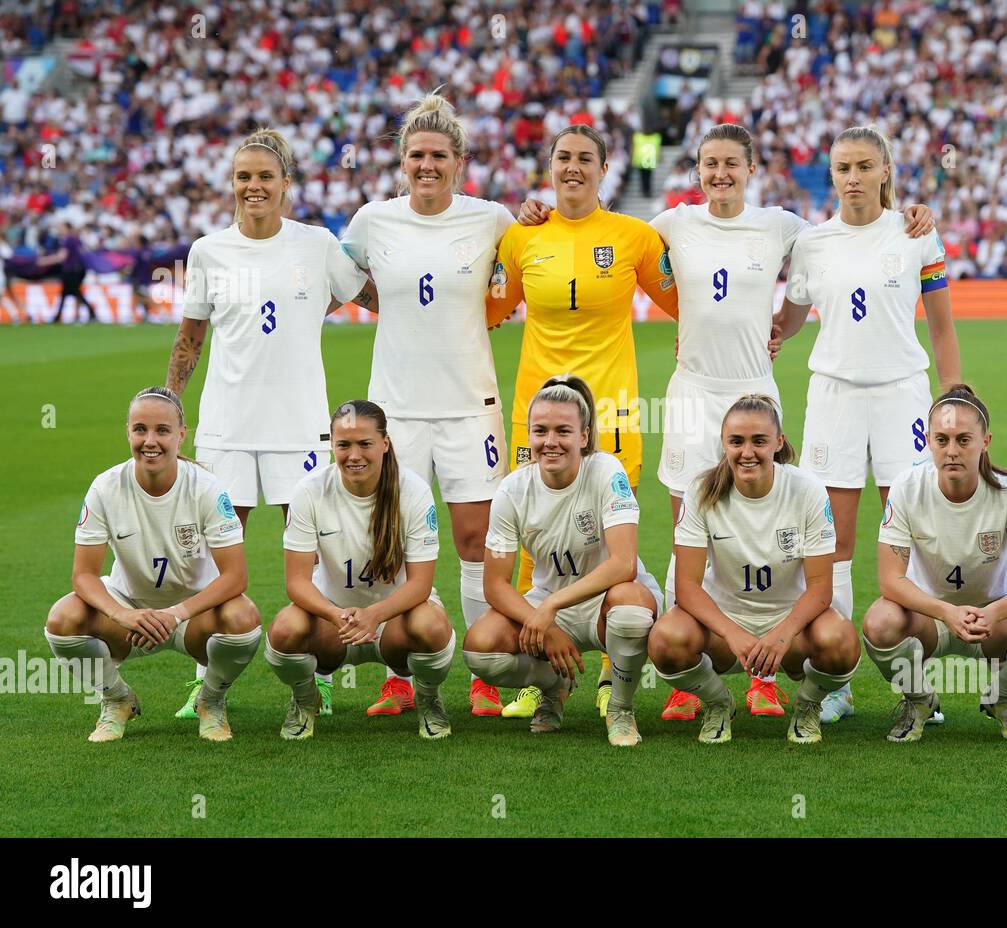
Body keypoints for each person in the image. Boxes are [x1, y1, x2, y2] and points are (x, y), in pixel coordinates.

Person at [648, 122, 934, 724]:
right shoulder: (673, 223)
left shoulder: (784, 228)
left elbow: (850, 239)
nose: (719, 173)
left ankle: (770, 680)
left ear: (752, 169)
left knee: (775, 525)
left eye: (731, 163)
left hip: (756, 394)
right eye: (709, 164)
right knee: (686, 530)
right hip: (692, 396)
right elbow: (617, 243)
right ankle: (686, 681)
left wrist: (911, 214)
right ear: (696, 170)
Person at [166, 127, 378, 720]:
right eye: (243, 177)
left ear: (287, 183)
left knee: (316, 553)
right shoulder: (208, 250)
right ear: (232, 183)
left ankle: (316, 674)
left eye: (265, 176)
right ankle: (209, 683)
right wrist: (173, 404)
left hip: (300, 426)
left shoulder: (315, 244)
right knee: (213, 559)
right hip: (226, 426)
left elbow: (367, 295)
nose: (253, 186)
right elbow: (191, 338)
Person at [487, 125, 677, 720]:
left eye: (585, 159)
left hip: (613, 414)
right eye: (563, 157)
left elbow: (682, 302)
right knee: (530, 541)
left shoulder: (634, 237)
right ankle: (541, 673)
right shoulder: (521, 238)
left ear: (603, 168)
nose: (573, 167)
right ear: (549, 166)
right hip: (535, 414)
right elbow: (490, 308)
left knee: (607, 537)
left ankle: (606, 672)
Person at [777, 124, 961, 723]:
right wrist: (749, 336)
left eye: (863, 166)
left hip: (902, 395)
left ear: (885, 171)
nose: (851, 178)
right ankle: (837, 684)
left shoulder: (916, 236)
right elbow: (790, 319)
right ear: (830, 175)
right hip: (833, 397)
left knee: (909, 536)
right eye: (841, 168)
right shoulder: (812, 243)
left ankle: (915, 683)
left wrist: (955, 400)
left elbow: (941, 328)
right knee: (834, 540)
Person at [341, 91, 514, 720]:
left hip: (471, 405)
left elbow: (524, 264)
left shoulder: (491, 218)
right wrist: (390, 305)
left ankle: (486, 673)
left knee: (476, 541)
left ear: (459, 160)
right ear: (402, 161)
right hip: (396, 411)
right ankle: (401, 674)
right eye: (416, 155)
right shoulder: (373, 220)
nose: (427, 165)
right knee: (393, 540)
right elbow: (342, 280)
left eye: (439, 155)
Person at [44, 387, 261, 742]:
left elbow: (236, 576)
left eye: (162, 430)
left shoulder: (207, 489)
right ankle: (116, 699)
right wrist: (121, 614)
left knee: (243, 617)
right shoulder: (105, 487)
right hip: (130, 615)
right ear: (127, 432)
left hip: (193, 615)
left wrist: (176, 613)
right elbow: (83, 575)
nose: (150, 441)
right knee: (62, 618)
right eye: (140, 429)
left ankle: (211, 701)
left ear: (181, 435)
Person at [648, 395, 860, 745]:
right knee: (666, 638)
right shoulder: (701, 492)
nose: (747, 452)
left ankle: (807, 707)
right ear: (724, 443)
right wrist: (732, 633)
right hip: (723, 632)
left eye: (759, 441)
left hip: (790, 630)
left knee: (840, 641)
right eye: (737, 441)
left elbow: (821, 587)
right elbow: (686, 586)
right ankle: (718, 703)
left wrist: (782, 634)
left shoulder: (807, 490)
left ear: (778, 442)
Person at [463, 376, 661, 746]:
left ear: (584, 436)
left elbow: (624, 564)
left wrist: (550, 606)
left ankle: (621, 708)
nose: (549, 441)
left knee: (631, 611)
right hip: (551, 603)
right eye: (540, 431)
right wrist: (545, 622)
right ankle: (554, 687)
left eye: (562, 431)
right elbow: (495, 584)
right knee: (482, 649)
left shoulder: (605, 471)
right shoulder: (512, 489)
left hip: (605, 600)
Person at [862, 386, 1007, 743]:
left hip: (994, 621)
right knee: (879, 624)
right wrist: (945, 612)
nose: (952, 451)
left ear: (985, 441)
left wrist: (995, 613)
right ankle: (919, 701)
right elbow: (890, 580)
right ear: (928, 440)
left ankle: (1002, 700)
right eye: (941, 440)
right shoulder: (907, 487)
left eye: (963, 440)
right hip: (929, 619)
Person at [264, 400, 457, 741]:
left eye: (365, 444)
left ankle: (428, 700)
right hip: (333, 625)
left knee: (432, 625)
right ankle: (305, 701)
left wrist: (375, 615)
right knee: (284, 629)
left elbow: (421, 585)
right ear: (332, 446)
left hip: (395, 622)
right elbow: (296, 582)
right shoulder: (309, 491)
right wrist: (334, 613)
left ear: (385, 443)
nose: (354, 455)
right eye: (343, 445)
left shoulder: (413, 491)